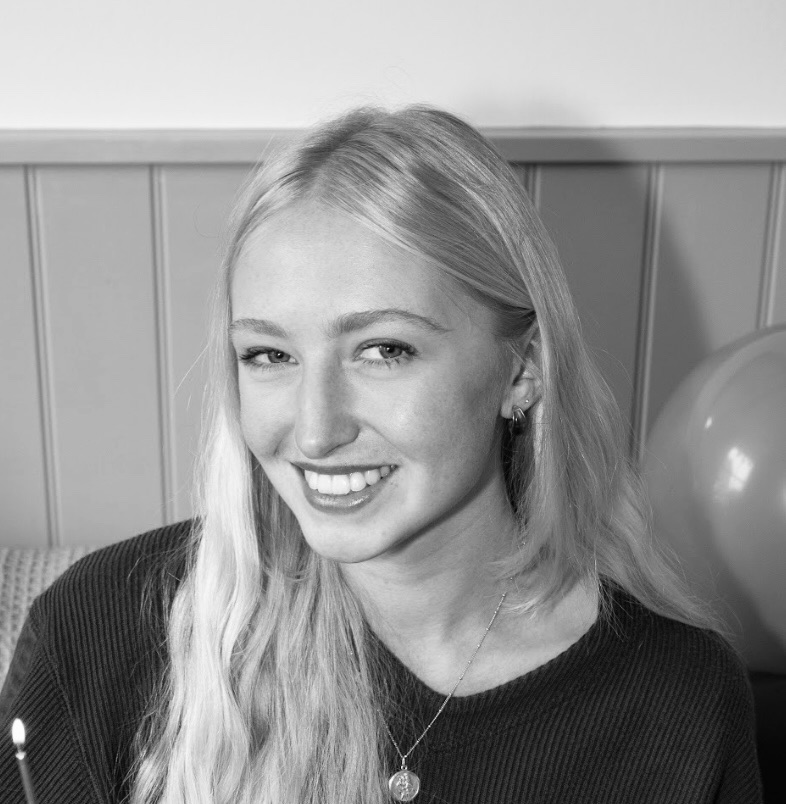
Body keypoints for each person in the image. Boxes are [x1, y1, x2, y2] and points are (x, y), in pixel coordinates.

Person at [0, 106, 761, 804]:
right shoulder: (104, 633)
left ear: (522, 371)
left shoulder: (678, 704)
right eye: (268, 355)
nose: (316, 429)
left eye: (383, 350)